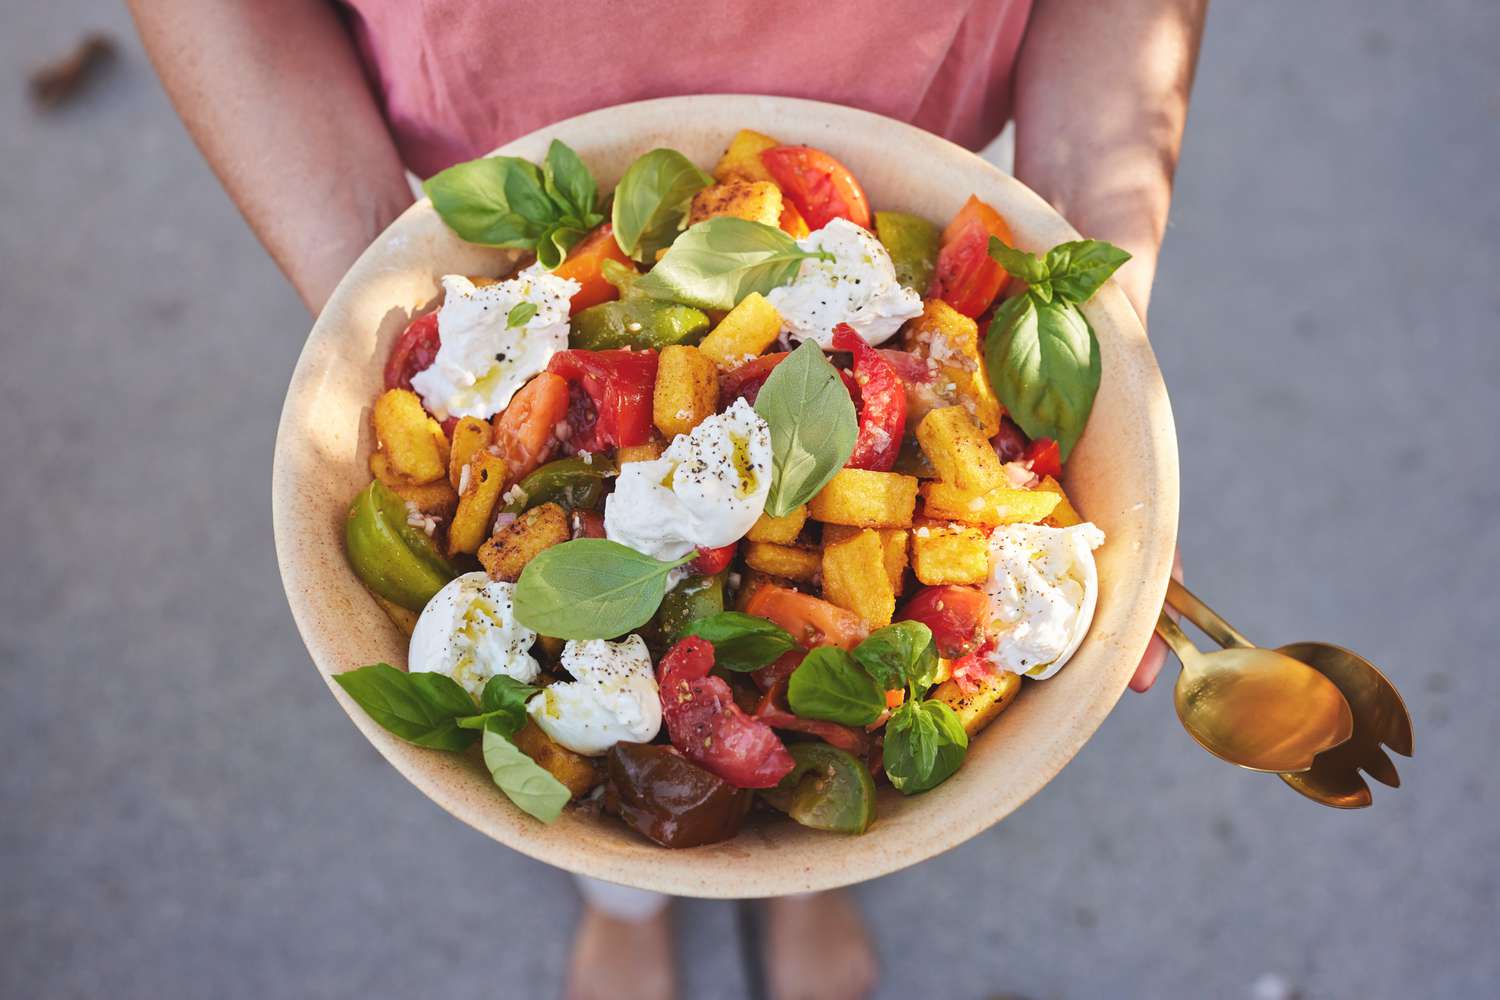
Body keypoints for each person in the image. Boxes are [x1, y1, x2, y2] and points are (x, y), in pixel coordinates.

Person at [129, 2, 1204, 997]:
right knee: (602, 772)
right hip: (496, 139)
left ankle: (804, 881)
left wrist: (1106, 316)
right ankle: (624, 901)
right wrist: (368, 266)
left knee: (833, 759)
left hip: (898, 120)